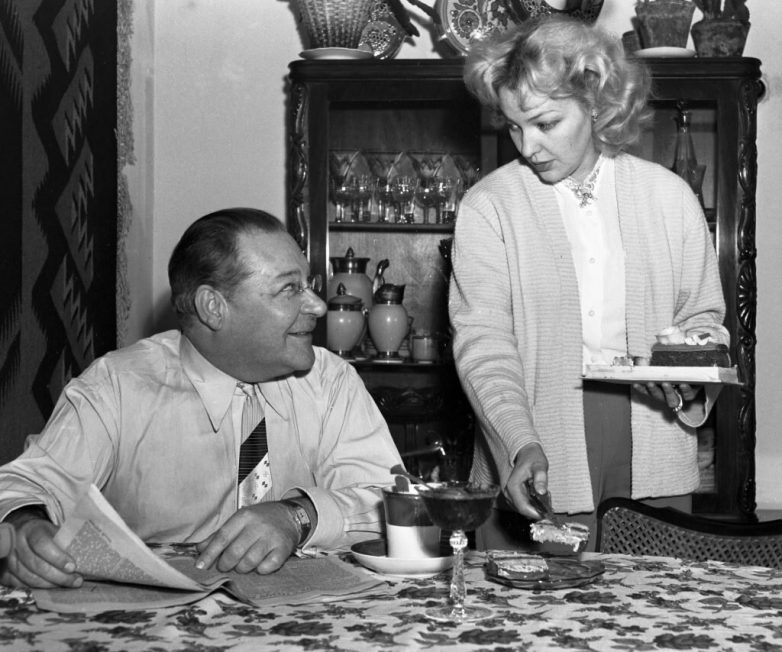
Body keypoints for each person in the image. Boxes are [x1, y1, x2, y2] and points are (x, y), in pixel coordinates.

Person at [0, 207, 402, 588]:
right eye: (289, 289)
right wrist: (25, 527)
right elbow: (24, 485)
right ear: (213, 307)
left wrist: (297, 515)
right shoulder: (118, 387)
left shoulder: (331, 382)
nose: (318, 305)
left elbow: (390, 502)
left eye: (308, 285)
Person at [449, 16, 728, 549]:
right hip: (536, 432)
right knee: (530, 599)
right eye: (514, 127)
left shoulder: (670, 197)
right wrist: (520, 442)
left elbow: (703, 321)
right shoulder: (489, 206)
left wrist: (689, 376)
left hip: (652, 434)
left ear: (596, 101)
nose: (527, 146)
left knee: (653, 599)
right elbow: (483, 342)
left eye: (545, 123)